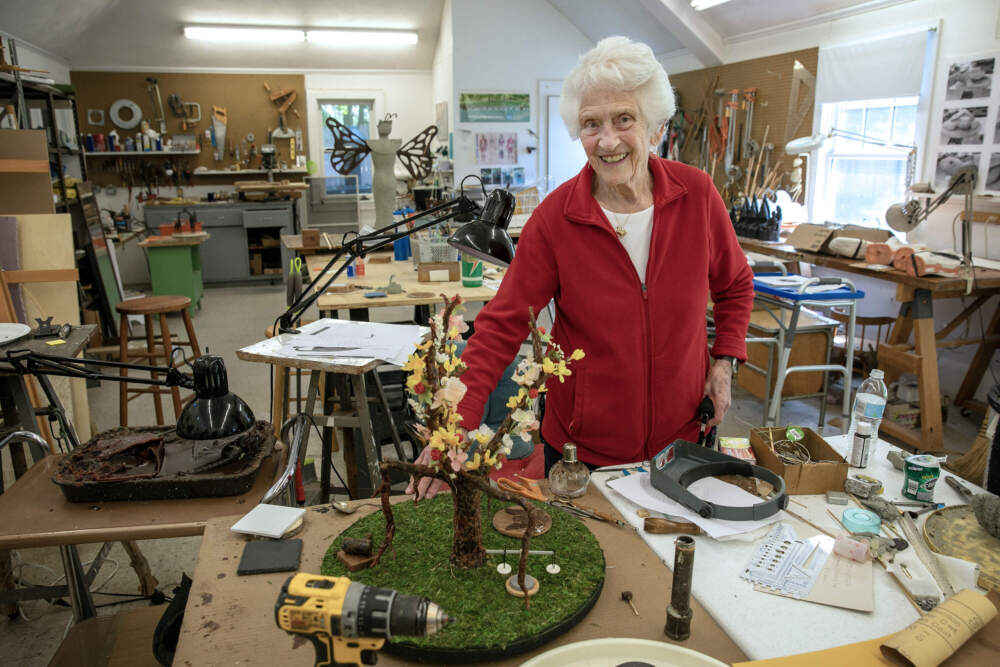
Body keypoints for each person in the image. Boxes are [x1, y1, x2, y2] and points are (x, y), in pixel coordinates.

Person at [411, 36, 753, 498]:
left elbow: (734, 283)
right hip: (581, 456)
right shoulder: (557, 219)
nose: (607, 141)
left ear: (654, 127)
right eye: (591, 124)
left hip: (683, 439)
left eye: (624, 120)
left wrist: (724, 361)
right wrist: (448, 435)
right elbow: (500, 328)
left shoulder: (697, 196)